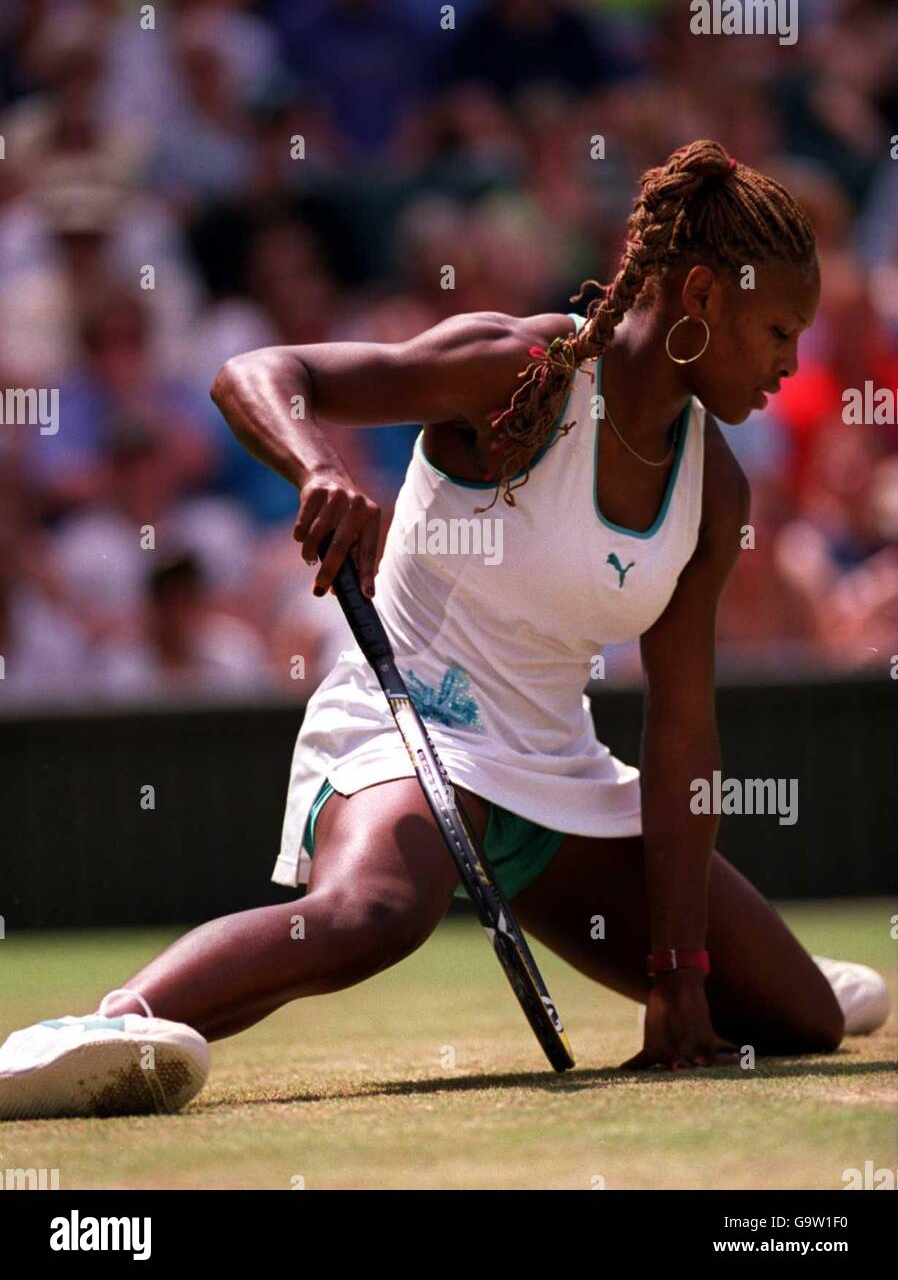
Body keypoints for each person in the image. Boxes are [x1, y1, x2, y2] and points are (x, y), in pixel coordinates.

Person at [0, 140, 888, 1118]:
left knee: (801, 1021)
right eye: (776, 330)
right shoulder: (519, 370)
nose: (789, 366)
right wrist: (321, 469)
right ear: (701, 301)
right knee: (375, 912)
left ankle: (781, 972)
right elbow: (257, 371)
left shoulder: (715, 487)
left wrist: (682, 972)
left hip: (556, 770)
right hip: (408, 723)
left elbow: (681, 733)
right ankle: (107, 1029)